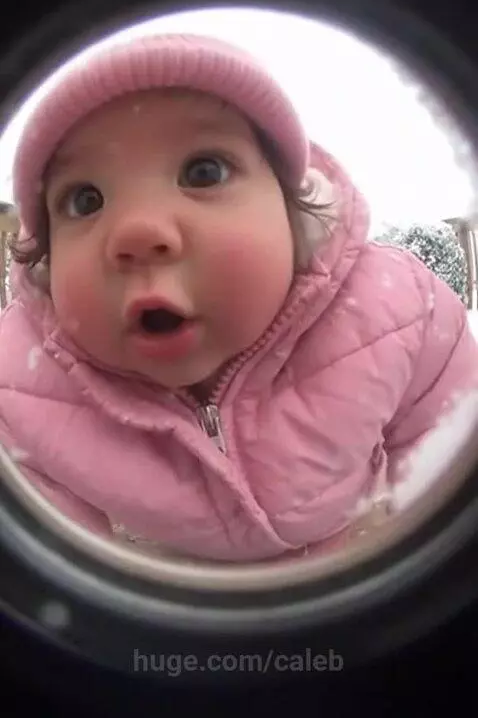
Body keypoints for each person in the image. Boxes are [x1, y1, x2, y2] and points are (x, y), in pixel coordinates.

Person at [0, 32, 477, 563]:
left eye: (204, 171)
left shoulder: (398, 312)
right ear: (44, 258)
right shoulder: (21, 387)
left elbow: (452, 475)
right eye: (84, 200)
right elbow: (55, 577)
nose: (137, 230)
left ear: (292, 206)